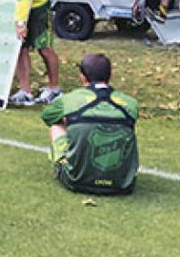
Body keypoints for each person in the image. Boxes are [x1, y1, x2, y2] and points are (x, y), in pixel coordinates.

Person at [41, 53, 139, 195]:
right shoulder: (131, 103)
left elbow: (47, 116)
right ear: (109, 76)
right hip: (122, 185)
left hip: (76, 181)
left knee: (56, 126)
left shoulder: (71, 99)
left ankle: (69, 163)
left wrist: (70, 121)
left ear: (82, 76)